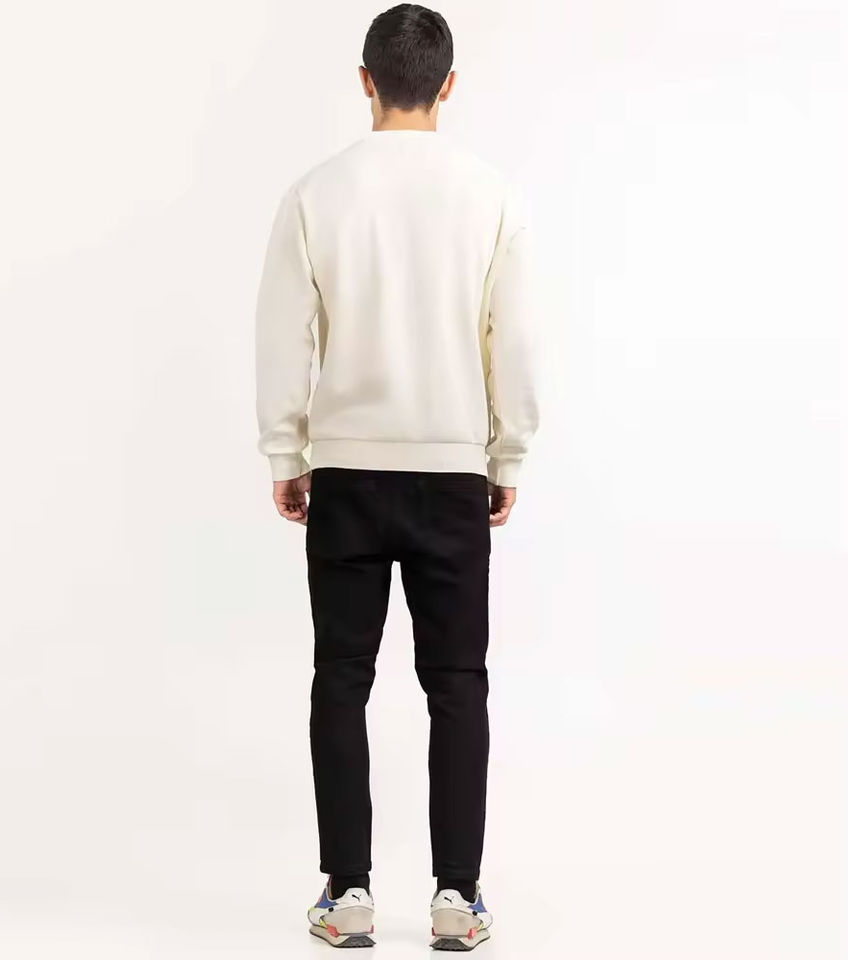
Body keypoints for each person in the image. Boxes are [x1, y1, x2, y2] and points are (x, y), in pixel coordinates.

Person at [254, 3, 538, 950]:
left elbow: (282, 335)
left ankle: (347, 894)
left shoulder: (316, 193)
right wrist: (506, 454)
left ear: (365, 80)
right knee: (457, 683)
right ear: (448, 85)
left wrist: (287, 454)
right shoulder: (490, 194)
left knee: (341, 678)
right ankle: (457, 897)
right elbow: (514, 340)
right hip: (451, 470)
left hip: (346, 469)